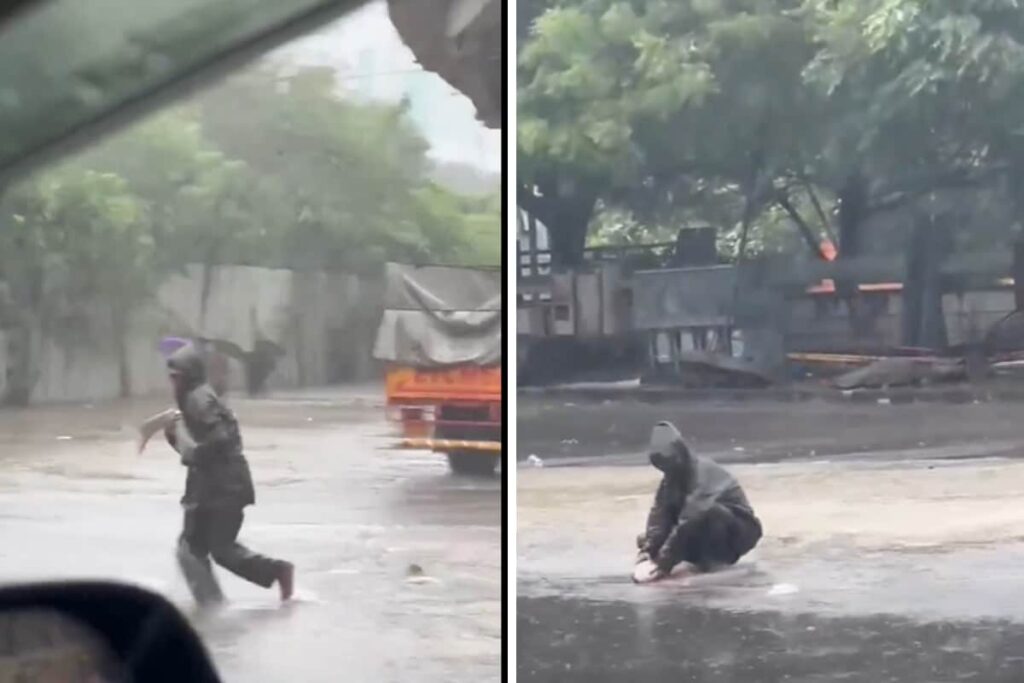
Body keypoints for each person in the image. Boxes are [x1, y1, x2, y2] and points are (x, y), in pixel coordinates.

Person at [163, 343, 294, 604]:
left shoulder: (198, 399)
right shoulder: (196, 398)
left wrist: (190, 452)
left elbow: (220, 440)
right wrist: (175, 439)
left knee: (218, 549)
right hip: (209, 485)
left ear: (189, 375)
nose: (173, 384)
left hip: (225, 485)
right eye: (171, 378)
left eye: (177, 378)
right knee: (191, 548)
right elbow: (198, 447)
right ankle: (211, 604)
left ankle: (276, 571)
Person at [635, 421, 762, 582]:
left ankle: (714, 562)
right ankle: (692, 559)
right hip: (700, 531)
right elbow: (660, 514)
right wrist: (648, 552)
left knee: (710, 512)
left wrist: (664, 563)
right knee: (647, 538)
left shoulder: (703, 472)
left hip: (734, 533)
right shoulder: (671, 479)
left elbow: (690, 518)